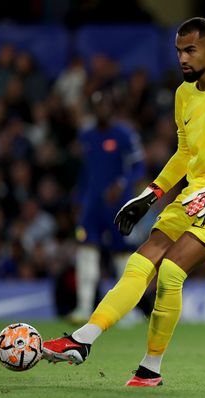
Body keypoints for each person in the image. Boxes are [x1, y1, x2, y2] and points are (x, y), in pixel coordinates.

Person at [42, 17, 205, 387]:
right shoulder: (184, 94)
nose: (183, 58)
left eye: (190, 50)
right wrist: (149, 195)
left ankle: (150, 367)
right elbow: (185, 154)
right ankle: (83, 340)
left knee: (170, 271)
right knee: (141, 262)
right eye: (178, 51)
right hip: (191, 197)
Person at [69, 86, 148, 321]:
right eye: (97, 105)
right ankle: (84, 306)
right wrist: (78, 199)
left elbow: (139, 167)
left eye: (105, 104)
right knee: (86, 252)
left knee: (122, 256)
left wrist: (121, 184)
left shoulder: (125, 135)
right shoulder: (86, 136)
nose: (101, 109)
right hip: (91, 206)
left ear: (112, 108)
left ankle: (127, 310)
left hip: (118, 206)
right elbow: (84, 172)